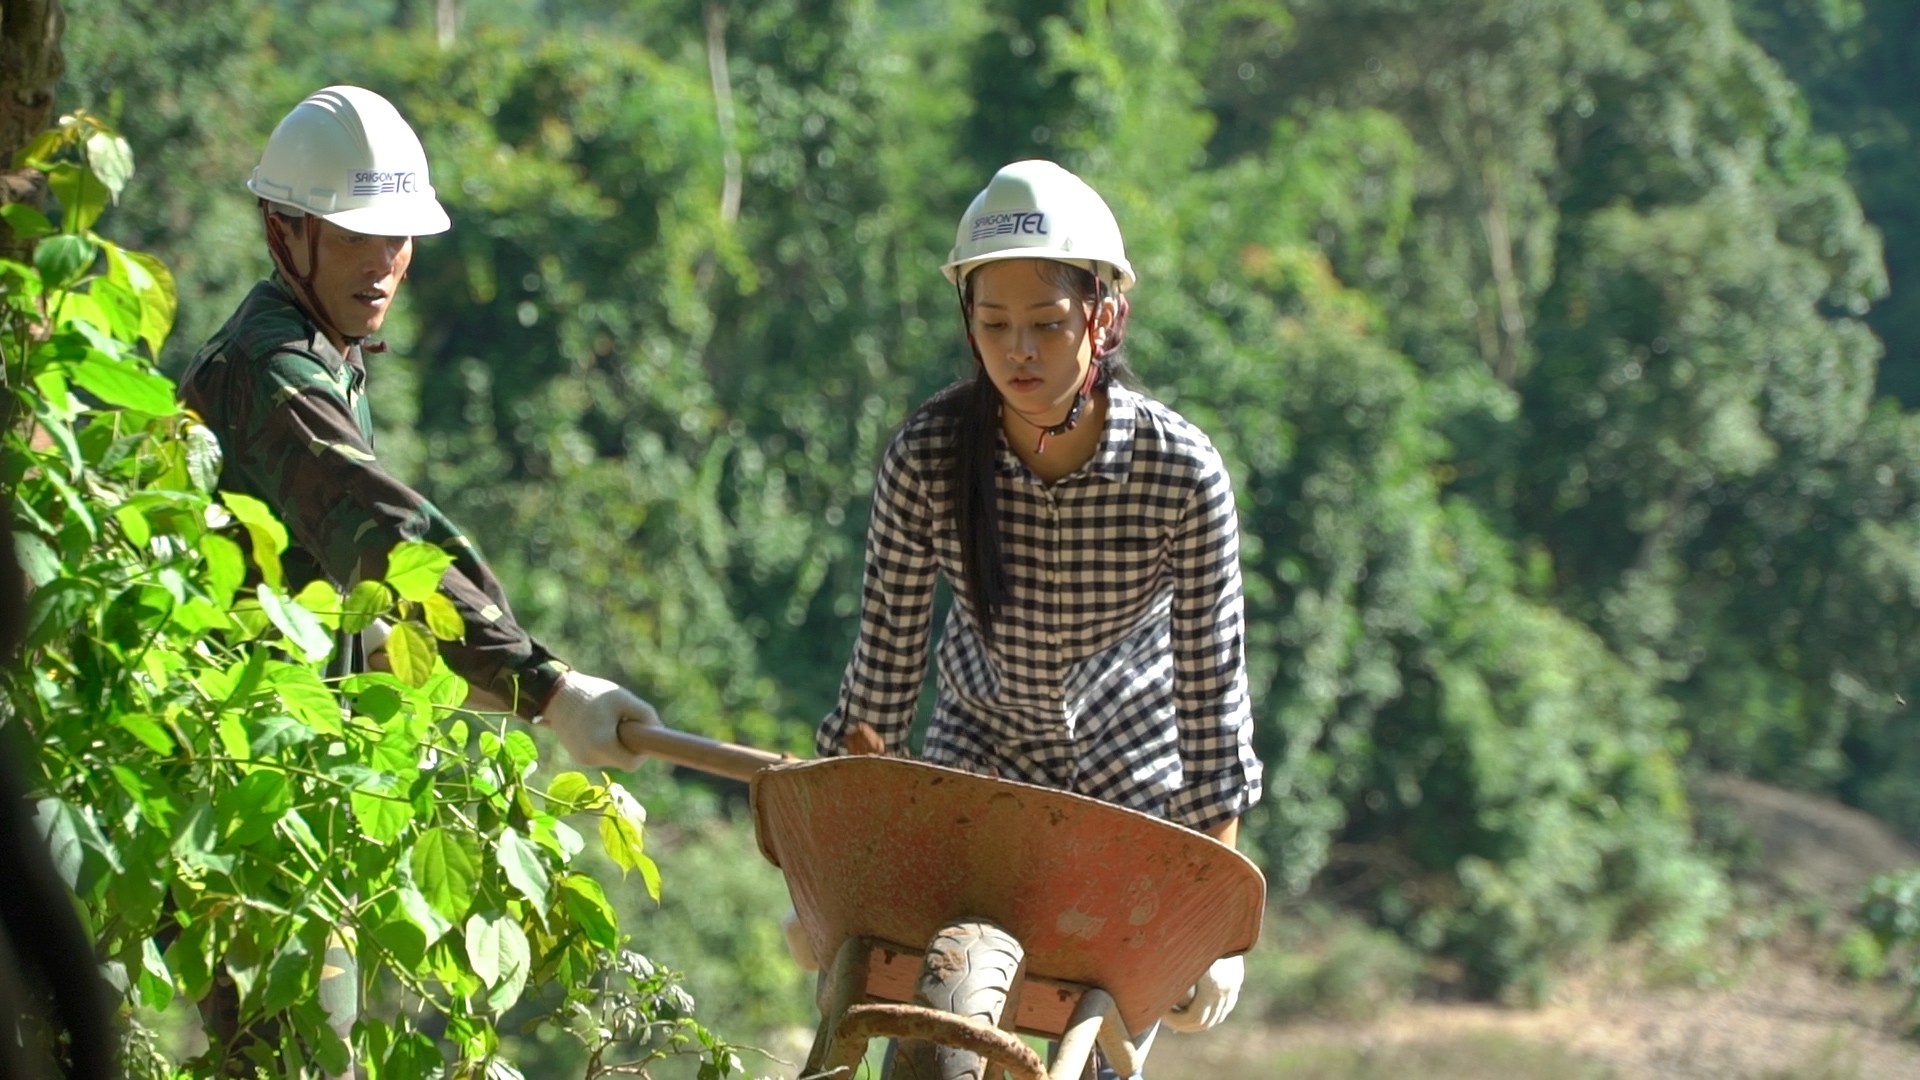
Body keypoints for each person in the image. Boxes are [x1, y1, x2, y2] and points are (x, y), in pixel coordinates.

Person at [177, 84, 659, 1072]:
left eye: (396, 237)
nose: (381, 264)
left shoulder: (326, 356)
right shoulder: (279, 375)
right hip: (241, 790)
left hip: (280, 777)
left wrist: (517, 693)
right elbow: (389, 543)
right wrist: (546, 684)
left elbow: (371, 615)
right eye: (354, 237)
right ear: (283, 234)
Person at [813, 159, 1264, 1075]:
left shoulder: (1181, 472)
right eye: (995, 325)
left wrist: (1211, 921)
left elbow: (1212, 696)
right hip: (977, 784)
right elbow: (885, 674)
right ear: (967, 324)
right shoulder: (929, 458)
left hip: (1131, 797)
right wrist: (838, 876)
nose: (1020, 352)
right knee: (904, 1028)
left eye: (1048, 325)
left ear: (1105, 317)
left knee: (1098, 1049)